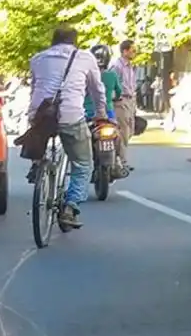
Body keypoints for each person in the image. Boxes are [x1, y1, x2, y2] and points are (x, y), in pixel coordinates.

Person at [27, 24, 107, 228]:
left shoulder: (37, 59)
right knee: (83, 164)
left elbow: (36, 87)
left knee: (39, 137)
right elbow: (97, 90)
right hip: (71, 116)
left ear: (53, 41)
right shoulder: (85, 58)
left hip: (42, 115)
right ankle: (70, 208)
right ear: (74, 41)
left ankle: (37, 164)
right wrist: (101, 113)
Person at [110, 39, 137, 171]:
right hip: (121, 101)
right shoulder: (117, 66)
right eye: (133, 50)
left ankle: (119, 156)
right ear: (125, 51)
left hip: (130, 100)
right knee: (123, 131)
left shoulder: (130, 66)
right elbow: (113, 83)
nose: (134, 53)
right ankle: (121, 160)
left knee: (130, 129)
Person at [84, 44, 122, 121]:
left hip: (88, 111)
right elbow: (119, 91)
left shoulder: (86, 75)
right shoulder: (112, 75)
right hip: (107, 110)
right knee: (115, 130)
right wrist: (116, 98)